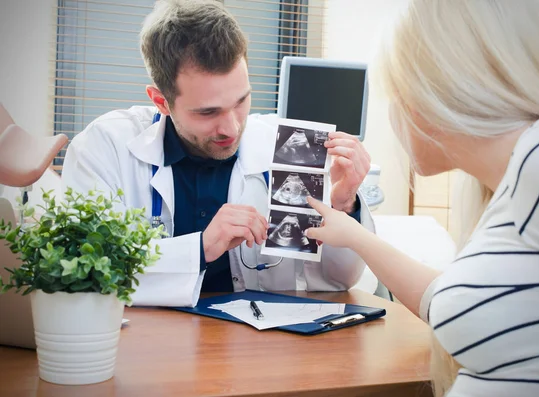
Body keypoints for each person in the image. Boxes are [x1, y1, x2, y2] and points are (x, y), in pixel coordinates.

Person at [305, 0, 539, 396]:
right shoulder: (507, 191)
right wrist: (354, 235)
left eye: (396, 97)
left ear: (430, 94)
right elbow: (445, 302)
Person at [61, 0, 375, 307]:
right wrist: (200, 248)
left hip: (253, 348)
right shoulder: (104, 148)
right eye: (208, 112)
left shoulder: (291, 147)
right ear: (161, 101)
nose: (232, 127)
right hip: (146, 346)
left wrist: (344, 204)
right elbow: (84, 273)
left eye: (241, 101)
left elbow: (336, 281)